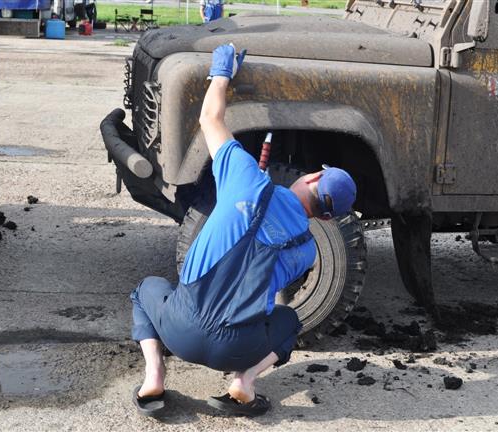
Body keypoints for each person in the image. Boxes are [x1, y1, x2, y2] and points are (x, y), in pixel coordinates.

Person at [129, 44, 357, 417]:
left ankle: (154, 374)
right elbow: (261, 277)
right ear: (327, 220)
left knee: (145, 291)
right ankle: (244, 383)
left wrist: (222, 72)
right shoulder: (307, 251)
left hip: (181, 333)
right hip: (236, 349)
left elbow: (209, 119)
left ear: (313, 175)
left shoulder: (246, 176)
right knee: (288, 321)